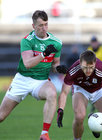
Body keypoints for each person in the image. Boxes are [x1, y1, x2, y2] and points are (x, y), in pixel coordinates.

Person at [0, 10, 67, 140]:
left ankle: (44, 134)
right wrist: (43, 54)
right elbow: (27, 64)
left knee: (52, 93)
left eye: (46, 24)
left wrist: (59, 69)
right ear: (33, 26)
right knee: (1, 116)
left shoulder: (56, 42)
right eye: (40, 25)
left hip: (40, 81)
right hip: (22, 80)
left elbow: (54, 65)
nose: (44, 28)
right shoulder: (27, 41)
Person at [57, 50, 102, 140]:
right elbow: (64, 92)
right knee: (79, 117)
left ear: (95, 63)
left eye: (91, 67)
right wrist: (60, 109)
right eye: (85, 67)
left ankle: (94, 122)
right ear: (80, 63)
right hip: (81, 89)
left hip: (98, 90)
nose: (88, 70)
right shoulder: (74, 69)